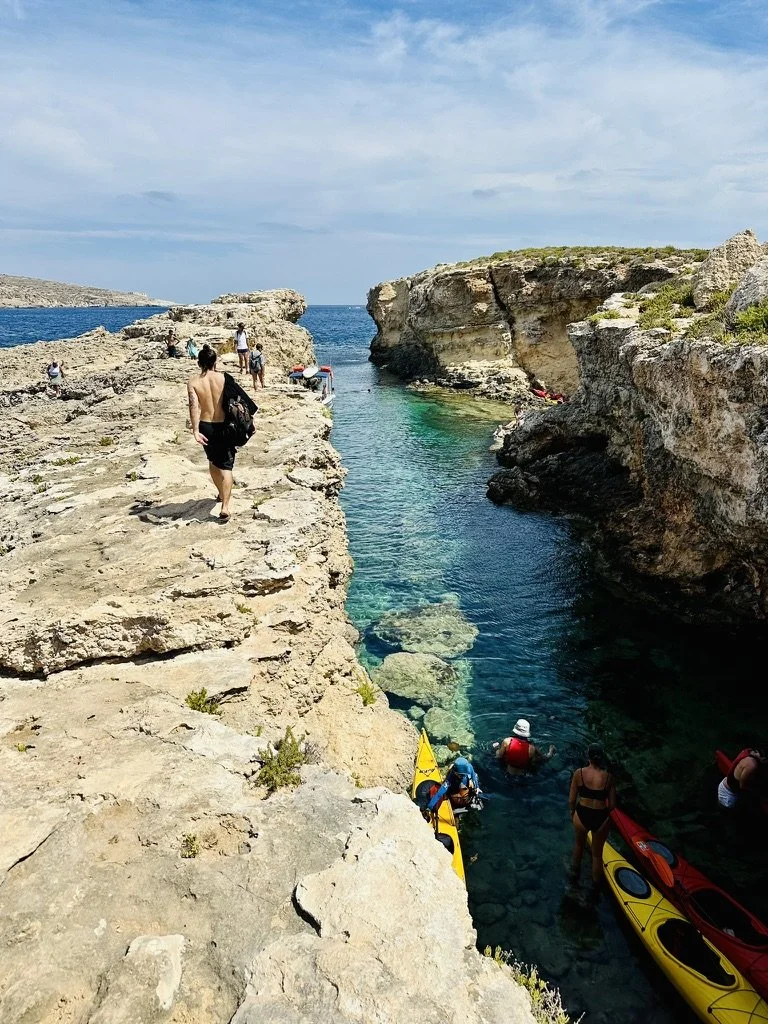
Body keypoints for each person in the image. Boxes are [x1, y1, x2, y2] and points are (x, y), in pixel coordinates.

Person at [187, 344, 236, 522]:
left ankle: (220, 494)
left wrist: (195, 430)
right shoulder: (223, 378)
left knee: (213, 462)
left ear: (199, 363)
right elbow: (237, 401)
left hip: (206, 425)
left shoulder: (193, 382)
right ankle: (225, 506)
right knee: (227, 466)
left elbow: (193, 406)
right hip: (224, 426)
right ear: (215, 361)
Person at [569, 743, 616, 884]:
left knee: (579, 845)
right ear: (601, 758)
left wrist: (572, 814)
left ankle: (574, 875)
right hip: (601, 817)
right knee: (597, 855)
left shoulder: (579, 773)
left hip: (582, 813)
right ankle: (596, 886)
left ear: (588, 757)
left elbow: (571, 800)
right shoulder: (608, 777)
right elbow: (612, 805)